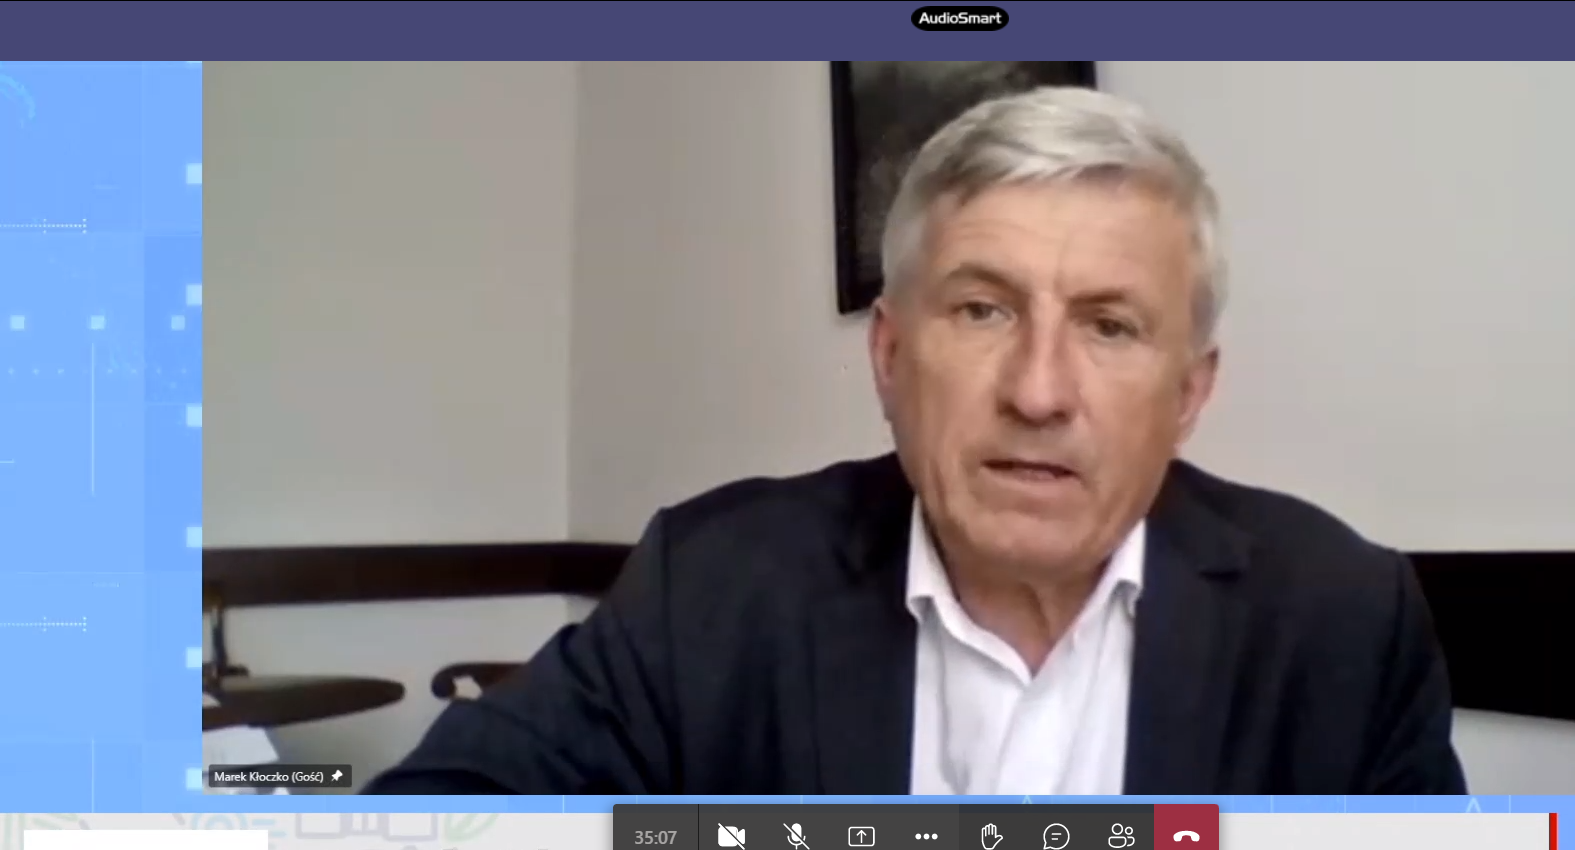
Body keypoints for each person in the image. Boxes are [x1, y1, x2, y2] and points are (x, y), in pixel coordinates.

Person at [364, 86, 1467, 797]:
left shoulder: (1342, 620)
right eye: (983, 310)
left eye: (1109, 326)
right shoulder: (712, 585)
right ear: (890, 357)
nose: (1039, 392)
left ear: (1189, 395)